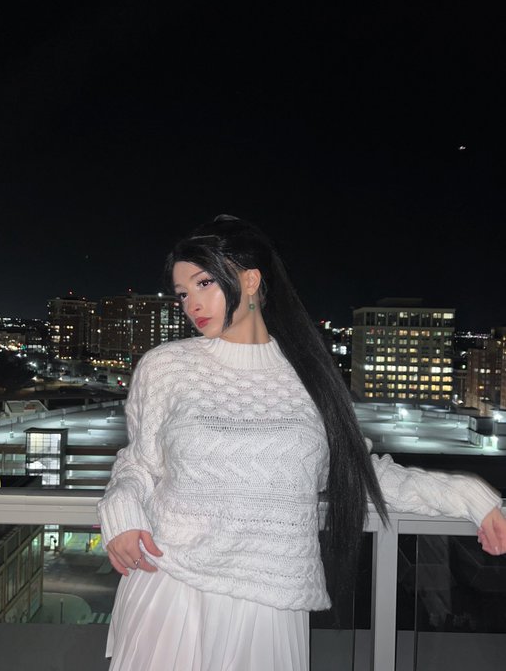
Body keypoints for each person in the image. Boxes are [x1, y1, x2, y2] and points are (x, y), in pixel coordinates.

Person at [97, 215, 506, 671]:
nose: (192, 303)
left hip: (273, 601)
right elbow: (139, 463)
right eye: (182, 293)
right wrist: (122, 513)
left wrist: (468, 496)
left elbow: (359, 473)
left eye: (204, 283)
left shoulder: (311, 377)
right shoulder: (166, 366)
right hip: (172, 586)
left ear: (250, 280)